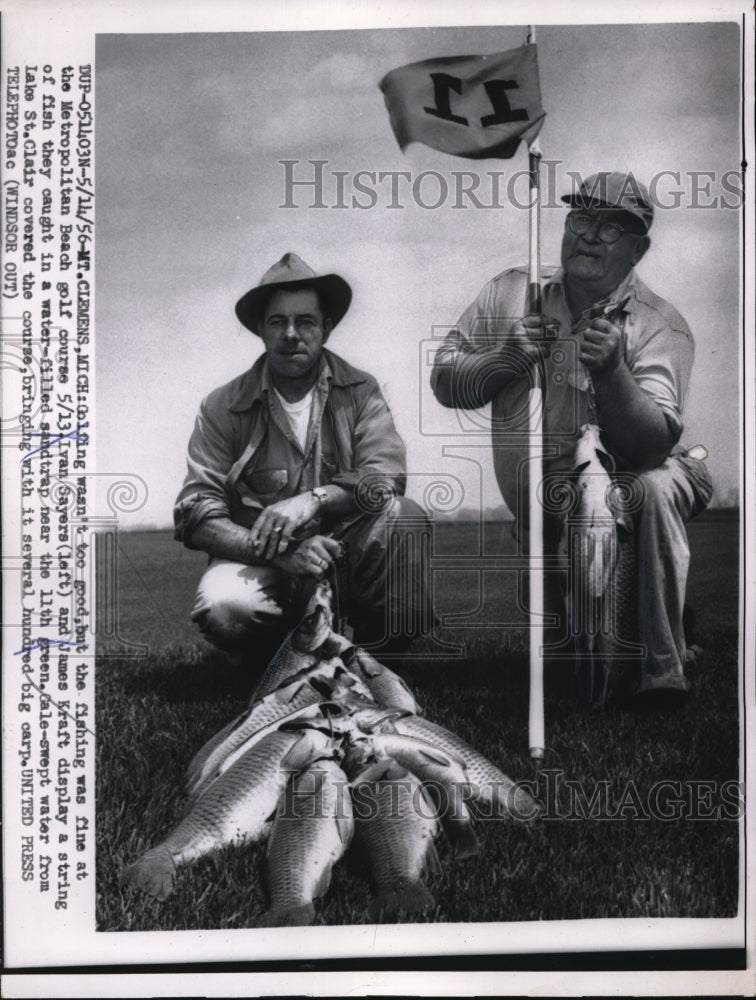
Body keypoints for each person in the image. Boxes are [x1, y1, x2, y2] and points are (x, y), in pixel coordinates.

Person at [431, 171, 712, 706]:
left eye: (611, 229)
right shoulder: (512, 291)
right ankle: (649, 619)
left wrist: (612, 374)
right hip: (547, 506)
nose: (589, 235)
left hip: (641, 474)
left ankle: (663, 673)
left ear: (638, 249)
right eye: (582, 218)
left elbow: (653, 445)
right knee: (568, 665)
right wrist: (502, 359)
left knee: (648, 490)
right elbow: (445, 381)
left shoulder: (661, 325)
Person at [174, 251, 430, 661]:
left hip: (344, 555)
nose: (291, 334)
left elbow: (384, 479)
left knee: (406, 517)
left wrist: (314, 499)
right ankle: (274, 663)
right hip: (265, 562)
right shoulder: (221, 406)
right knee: (225, 605)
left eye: (305, 321)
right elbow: (196, 514)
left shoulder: (361, 391)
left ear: (326, 329)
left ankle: (378, 659)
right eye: (278, 322)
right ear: (260, 329)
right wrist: (283, 553)